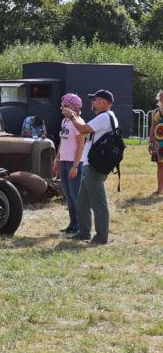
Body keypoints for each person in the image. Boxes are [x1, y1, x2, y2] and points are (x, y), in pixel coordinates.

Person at [62, 89, 117, 245]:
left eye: (95, 99)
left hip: (94, 165)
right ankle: (84, 232)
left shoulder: (104, 117)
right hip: (91, 164)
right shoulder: (106, 117)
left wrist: (72, 116)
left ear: (104, 102)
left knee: (98, 203)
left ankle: (101, 237)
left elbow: (83, 129)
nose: (92, 102)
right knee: (83, 201)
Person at [54, 93, 86, 235]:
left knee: (75, 195)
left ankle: (80, 226)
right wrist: (57, 158)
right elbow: (62, 141)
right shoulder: (64, 122)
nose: (62, 108)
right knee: (67, 195)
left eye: (65, 106)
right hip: (64, 162)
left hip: (74, 163)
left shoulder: (79, 123)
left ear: (73, 107)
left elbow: (81, 146)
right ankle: (73, 224)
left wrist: (75, 165)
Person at [149, 89, 163, 195]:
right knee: (159, 165)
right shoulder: (156, 111)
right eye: (161, 96)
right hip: (158, 142)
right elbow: (153, 126)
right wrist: (150, 141)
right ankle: (160, 190)